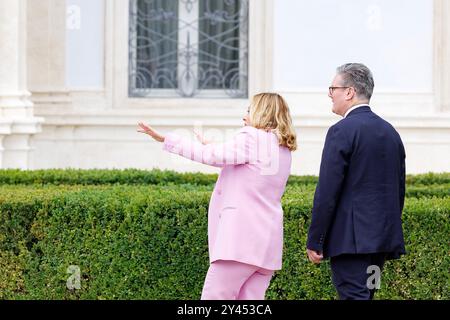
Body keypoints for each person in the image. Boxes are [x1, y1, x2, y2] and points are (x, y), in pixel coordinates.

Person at [137, 93, 297, 300]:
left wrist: (166, 139)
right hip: (266, 246)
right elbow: (238, 161)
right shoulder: (282, 147)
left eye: (249, 110)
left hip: (239, 243)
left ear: (261, 113)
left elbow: (212, 157)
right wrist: (211, 145)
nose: (244, 115)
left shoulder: (251, 137)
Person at [306, 63, 406, 300]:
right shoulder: (390, 132)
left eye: (333, 89)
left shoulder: (341, 131)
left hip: (351, 243)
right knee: (368, 294)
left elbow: (327, 192)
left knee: (354, 296)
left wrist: (315, 239)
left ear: (349, 92)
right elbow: (399, 188)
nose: (330, 95)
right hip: (380, 242)